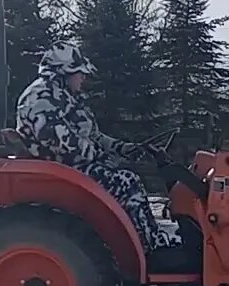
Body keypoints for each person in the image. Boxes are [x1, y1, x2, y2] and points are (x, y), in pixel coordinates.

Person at [15, 42, 188, 268]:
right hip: (61, 170)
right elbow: (60, 141)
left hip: (73, 166)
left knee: (127, 177)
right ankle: (151, 251)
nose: (82, 79)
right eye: (79, 73)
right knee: (126, 183)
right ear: (63, 72)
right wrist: (100, 156)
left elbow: (92, 136)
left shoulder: (65, 97)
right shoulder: (40, 97)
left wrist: (122, 148)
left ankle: (153, 241)